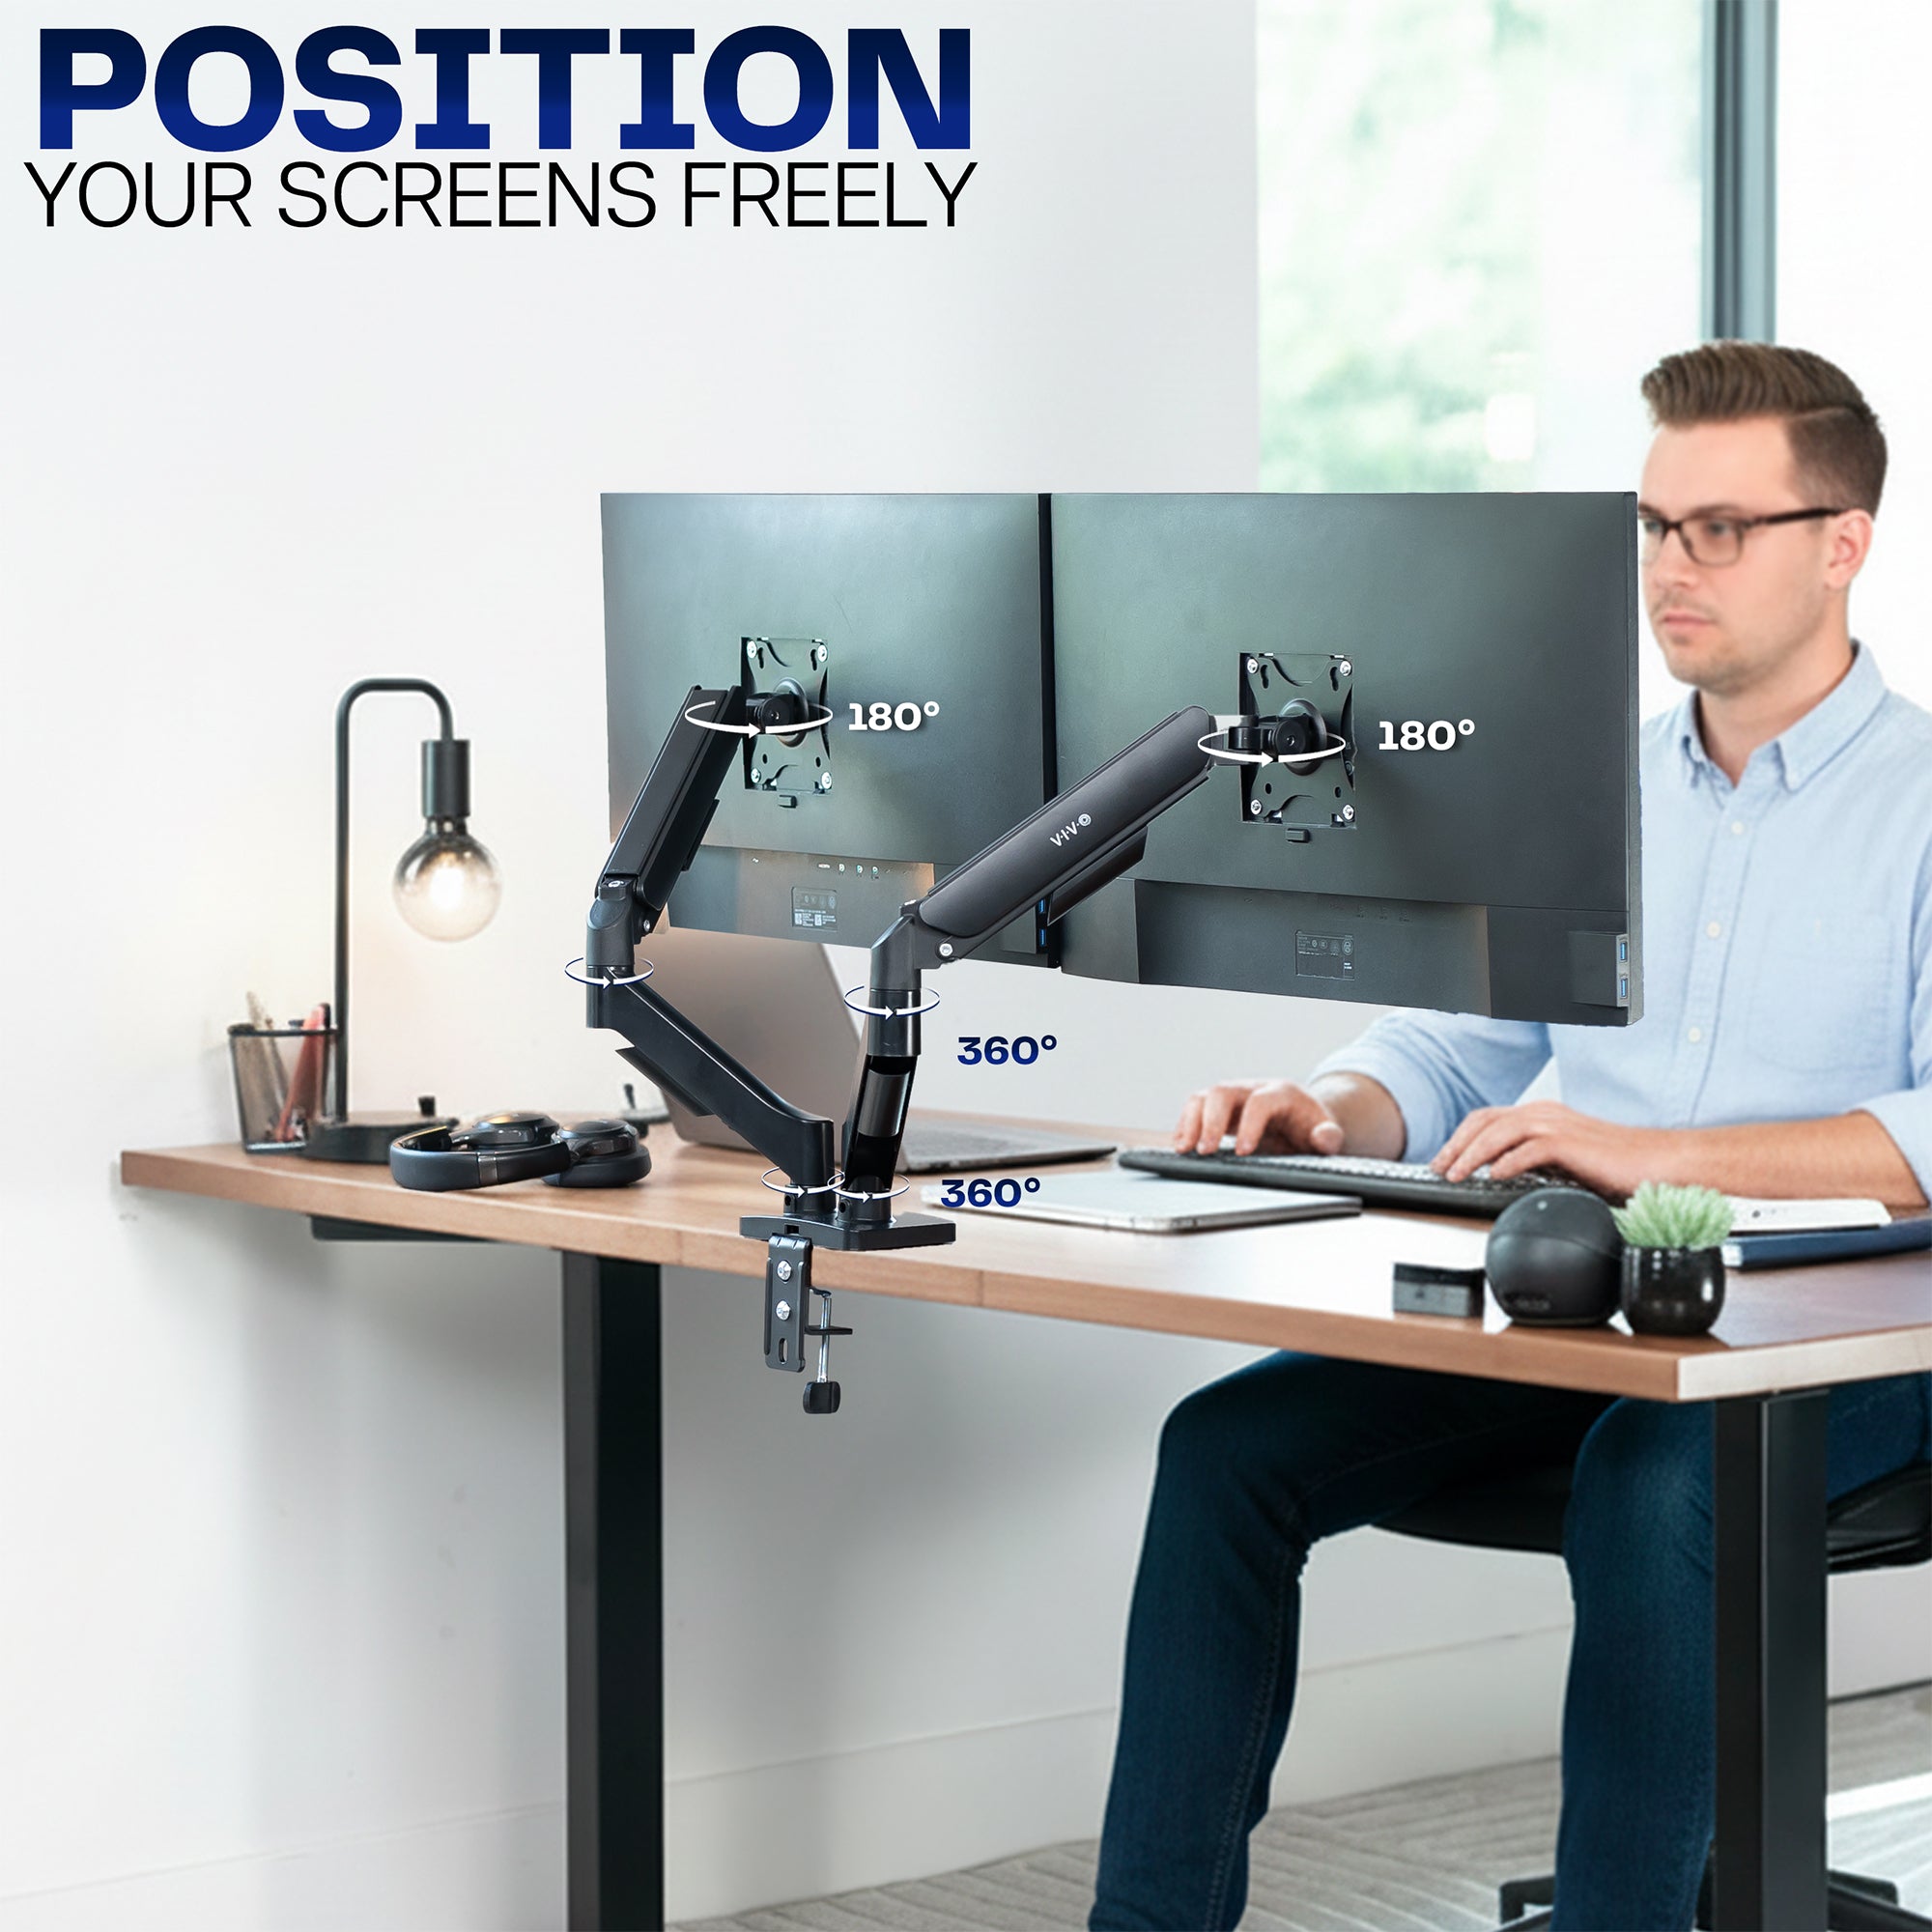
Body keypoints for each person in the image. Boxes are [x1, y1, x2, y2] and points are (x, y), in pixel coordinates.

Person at [1090, 342, 1932, 1932]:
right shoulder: (1591, 789)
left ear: (1844, 542)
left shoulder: (1925, 801)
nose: (1672, 568)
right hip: (1579, 1319)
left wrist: (1662, 1167)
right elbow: (1467, 1033)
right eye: (1654, 523)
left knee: (1651, 1480)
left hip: (1840, 1352)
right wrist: (1325, 1107)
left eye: (1721, 529)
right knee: (1224, 1454)